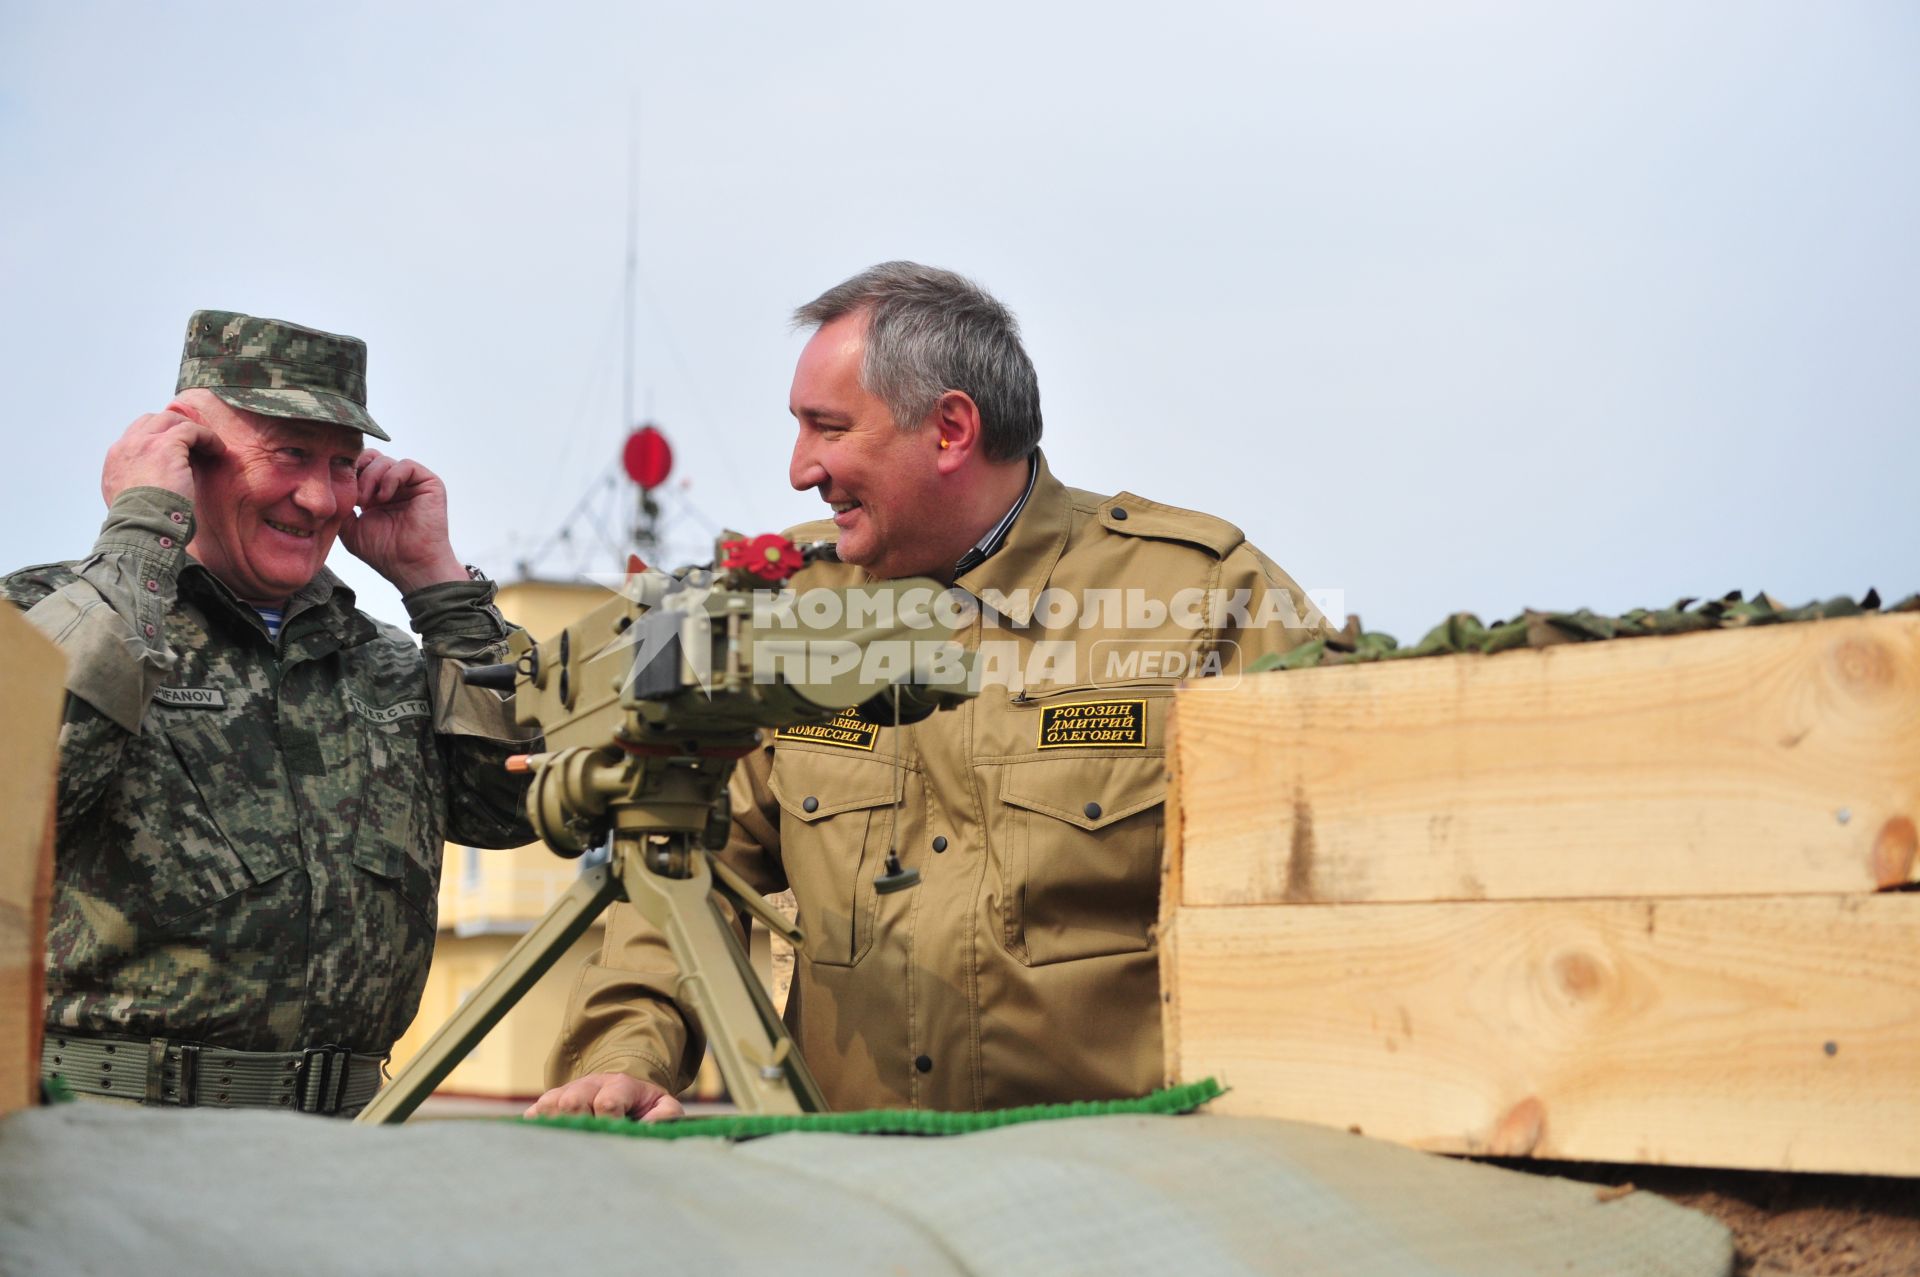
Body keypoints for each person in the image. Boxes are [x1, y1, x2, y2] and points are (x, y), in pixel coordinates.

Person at [535, 263, 1327, 1120]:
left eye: (826, 428)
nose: (800, 468)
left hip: (1120, 1202)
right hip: (859, 1197)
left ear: (951, 429)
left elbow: (1337, 886)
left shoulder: (1204, 604)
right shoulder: (778, 609)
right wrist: (629, 1054)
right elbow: (685, 861)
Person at [6, 310, 536, 1116]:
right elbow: (24, 801)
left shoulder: (390, 662)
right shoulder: (43, 616)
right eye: (288, 454)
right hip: (113, 1137)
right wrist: (143, 536)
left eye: (343, 464)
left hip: (340, 1142)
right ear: (186, 448)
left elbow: (516, 806)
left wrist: (438, 586)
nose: (320, 497)